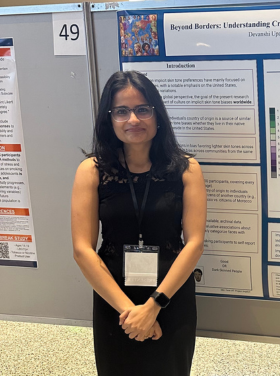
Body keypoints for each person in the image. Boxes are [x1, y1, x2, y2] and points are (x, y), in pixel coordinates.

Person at [71, 71, 206, 376]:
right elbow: (82, 249)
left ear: (157, 114)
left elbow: (194, 242)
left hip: (170, 295)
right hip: (114, 296)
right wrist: (130, 312)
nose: (133, 119)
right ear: (110, 118)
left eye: (142, 109)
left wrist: (154, 305)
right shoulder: (92, 171)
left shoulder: (187, 169)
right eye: (122, 111)